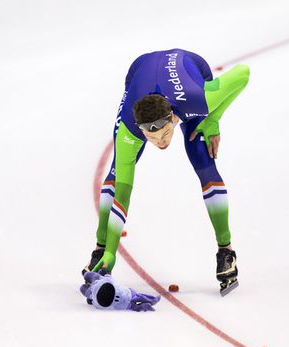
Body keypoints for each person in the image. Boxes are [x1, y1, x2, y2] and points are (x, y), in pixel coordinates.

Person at [83, 48, 249, 293]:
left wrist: (213, 120)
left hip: (191, 70)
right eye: (152, 137)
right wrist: (111, 250)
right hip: (139, 71)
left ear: (173, 118)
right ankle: (100, 249)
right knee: (119, 170)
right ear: (141, 131)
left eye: (165, 134)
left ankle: (226, 250)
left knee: (203, 160)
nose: (161, 142)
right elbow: (123, 193)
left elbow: (242, 73)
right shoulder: (131, 130)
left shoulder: (196, 98)